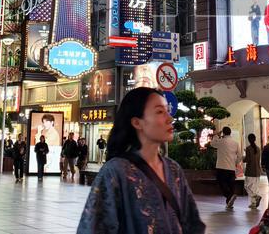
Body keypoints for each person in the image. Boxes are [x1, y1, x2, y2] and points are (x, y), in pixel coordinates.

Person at [77, 87, 205, 233]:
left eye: (167, 111)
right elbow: (93, 228)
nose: (169, 118)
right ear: (137, 122)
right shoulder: (116, 172)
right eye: (159, 112)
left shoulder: (174, 169)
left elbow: (193, 224)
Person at [207, 126, 242, 209]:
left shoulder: (220, 141)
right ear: (230, 133)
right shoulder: (235, 143)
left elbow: (212, 144)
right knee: (231, 185)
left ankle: (230, 196)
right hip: (231, 168)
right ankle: (229, 203)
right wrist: (235, 163)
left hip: (221, 167)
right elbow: (240, 156)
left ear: (223, 133)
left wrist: (216, 136)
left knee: (222, 184)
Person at [244, 133, 263, 209]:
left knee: (247, 186)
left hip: (250, 171)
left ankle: (256, 197)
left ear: (248, 139)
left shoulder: (248, 148)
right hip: (257, 171)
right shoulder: (258, 148)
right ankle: (254, 203)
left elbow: (247, 160)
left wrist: (243, 158)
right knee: (255, 188)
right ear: (255, 139)